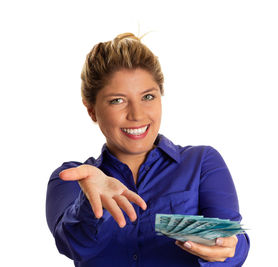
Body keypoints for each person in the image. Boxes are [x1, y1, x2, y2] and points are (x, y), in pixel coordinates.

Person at [46, 32, 250, 266]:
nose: (137, 115)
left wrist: (227, 246)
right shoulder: (72, 177)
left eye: (148, 97)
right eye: (117, 100)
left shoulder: (202, 162)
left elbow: (234, 242)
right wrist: (89, 203)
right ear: (91, 110)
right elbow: (72, 245)